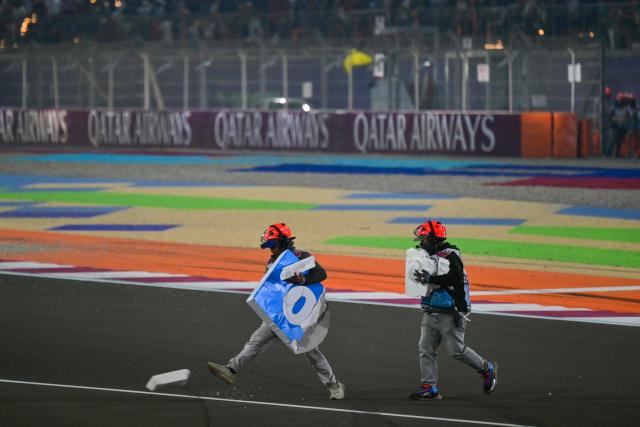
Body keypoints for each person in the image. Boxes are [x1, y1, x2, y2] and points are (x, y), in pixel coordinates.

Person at [207, 223, 346, 400]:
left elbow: (321, 274)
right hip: (280, 314)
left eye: (273, 245)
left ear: (283, 242)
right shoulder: (272, 263)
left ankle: (334, 385)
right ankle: (231, 369)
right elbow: (272, 290)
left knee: (311, 351)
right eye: (269, 246)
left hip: (302, 315)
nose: (271, 250)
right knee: (256, 341)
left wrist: (302, 279)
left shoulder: (302, 257)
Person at [408, 219, 497, 400]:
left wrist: (430, 279)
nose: (421, 244)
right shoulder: (429, 258)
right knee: (425, 348)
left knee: (456, 350)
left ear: (432, 239)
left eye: (424, 240)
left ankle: (487, 369)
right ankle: (429, 387)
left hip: (451, 312)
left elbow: (455, 278)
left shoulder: (450, 255)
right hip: (431, 311)